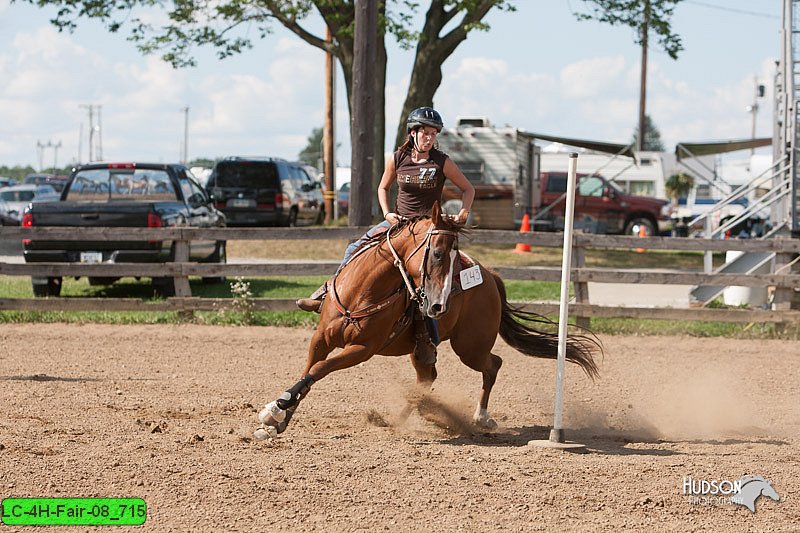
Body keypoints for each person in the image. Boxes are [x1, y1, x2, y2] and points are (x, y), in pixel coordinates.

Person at [296, 106, 475, 362]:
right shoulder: (397, 158)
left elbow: (468, 189)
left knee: (427, 278)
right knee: (355, 247)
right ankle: (325, 294)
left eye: (433, 134)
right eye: (425, 132)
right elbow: (383, 187)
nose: (429, 138)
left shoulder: (442, 162)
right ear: (412, 133)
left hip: (424, 230)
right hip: (398, 224)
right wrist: (388, 213)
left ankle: (427, 336)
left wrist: (464, 213)